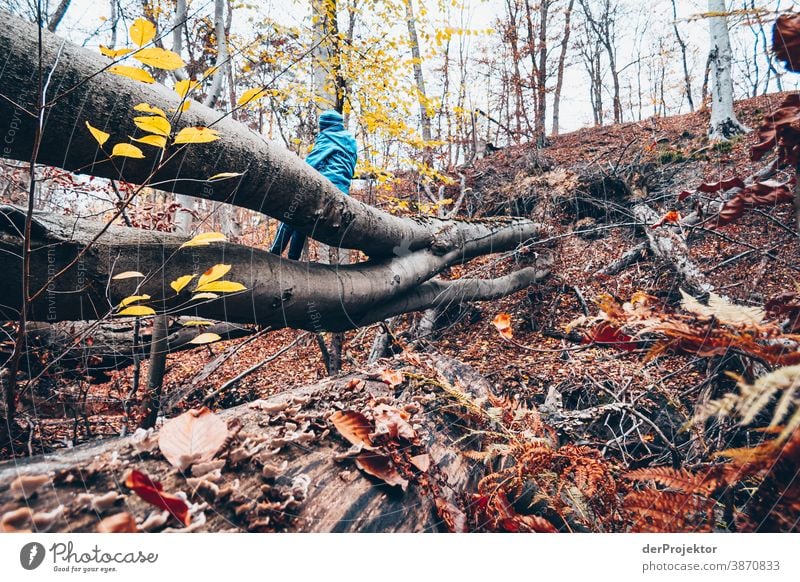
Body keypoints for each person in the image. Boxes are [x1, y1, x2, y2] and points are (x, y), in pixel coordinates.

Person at [270, 109, 358, 260]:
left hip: (325, 186)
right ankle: (293, 258)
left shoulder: (328, 137)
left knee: (291, 213)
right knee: (303, 218)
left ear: (325, 126)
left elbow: (312, 164)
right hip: (342, 191)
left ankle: (274, 252)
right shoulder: (350, 140)